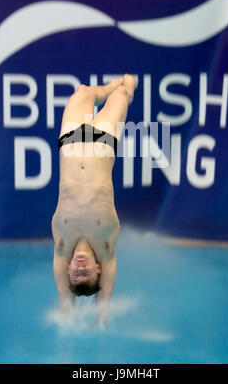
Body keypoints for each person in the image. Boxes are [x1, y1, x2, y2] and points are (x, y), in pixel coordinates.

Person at [51, 74, 138, 327]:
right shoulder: (106, 247)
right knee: (123, 93)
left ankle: (108, 87)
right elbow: (105, 299)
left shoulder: (62, 244)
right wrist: (102, 323)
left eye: (75, 274)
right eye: (85, 273)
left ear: (67, 271)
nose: (79, 268)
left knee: (82, 91)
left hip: (71, 140)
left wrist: (67, 319)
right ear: (98, 269)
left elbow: (65, 306)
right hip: (102, 141)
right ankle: (122, 88)